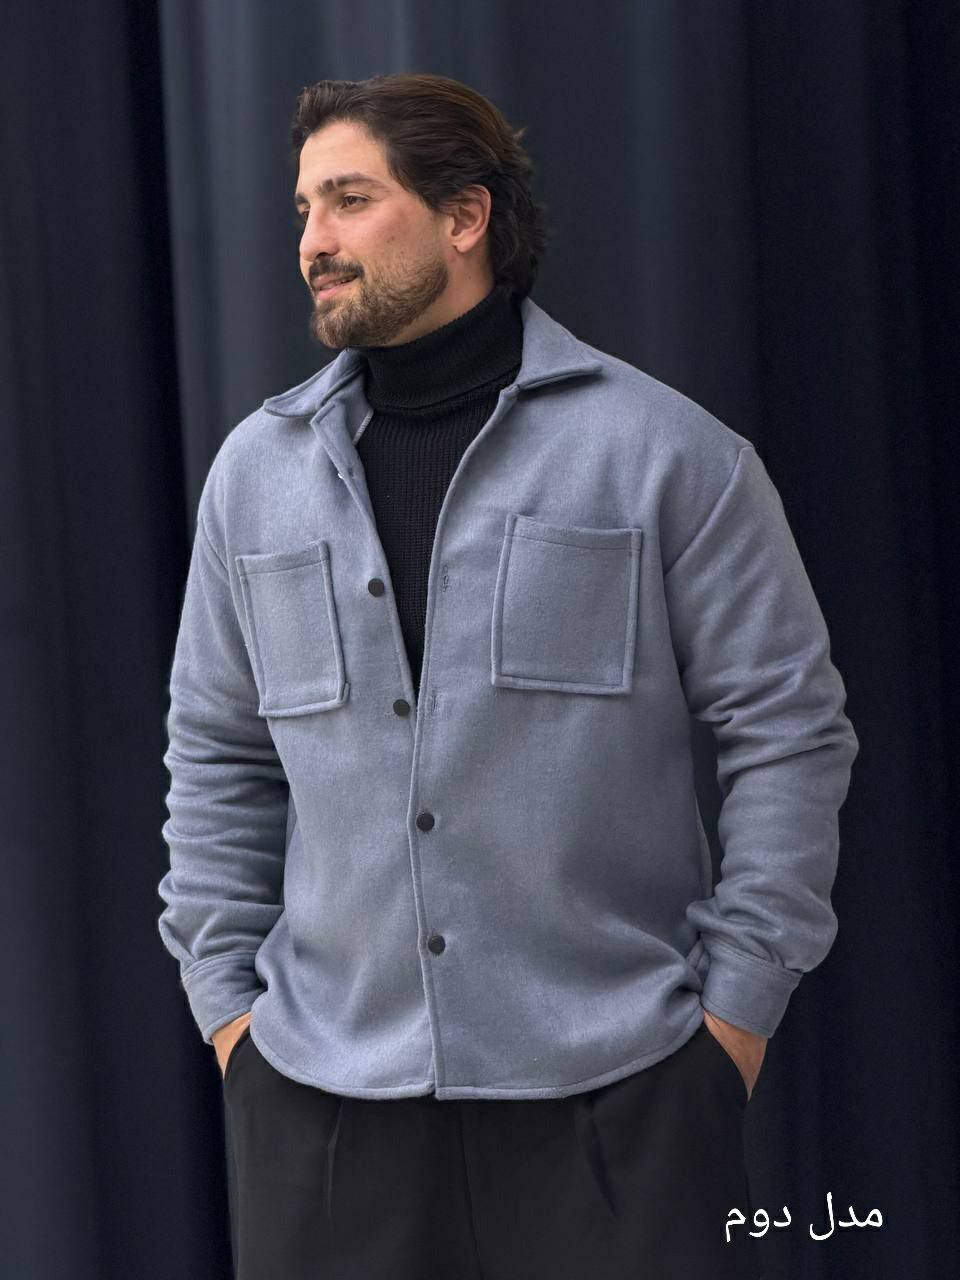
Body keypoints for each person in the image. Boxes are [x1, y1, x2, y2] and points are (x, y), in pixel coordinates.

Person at [158, 72, 859, 1279]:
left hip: (622, 1105)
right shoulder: (253, 477)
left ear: (465, 216)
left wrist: (731, 1021)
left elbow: (790, 731)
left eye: (350, 200)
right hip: (324, 1118)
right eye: (304, 209)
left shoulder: (667, 456)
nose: (313, 240)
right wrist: (233, 1019)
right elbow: (215, 751)